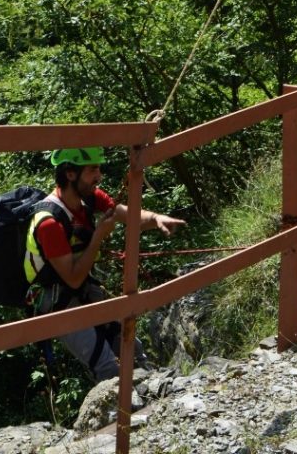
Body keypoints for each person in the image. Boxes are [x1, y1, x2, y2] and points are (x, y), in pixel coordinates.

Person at [25, 146, 186, 381]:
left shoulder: (89, 198)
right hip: (55, 301)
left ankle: (155, 393)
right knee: (106, 366)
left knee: (131, 348)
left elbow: (125, 214)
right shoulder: (49, 223)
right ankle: (124, 414)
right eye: (92, 170)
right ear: (71, 174)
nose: (98, 176)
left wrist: (155, 218)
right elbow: (72, 276)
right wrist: (99, 236)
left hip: (82, 289)